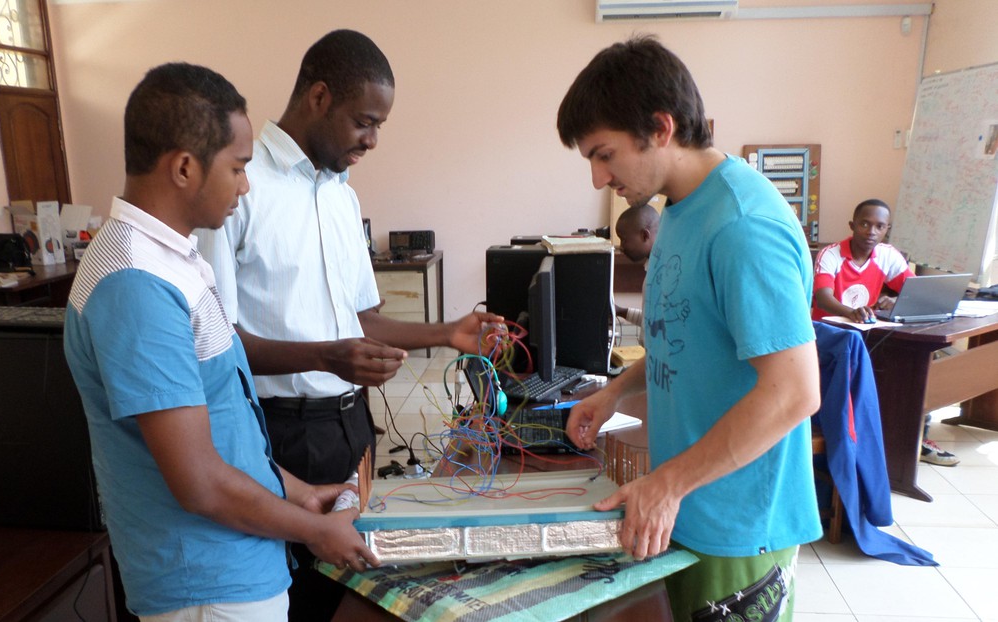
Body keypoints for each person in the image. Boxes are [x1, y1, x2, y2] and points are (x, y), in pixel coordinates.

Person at [196, 30, 500, 621]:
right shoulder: (238, 186)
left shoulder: (339, 193)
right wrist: (324, 357)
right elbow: (219, 345)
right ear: (318, 97)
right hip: (279, 436)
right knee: (294, 599)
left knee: (356, 595)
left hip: (349, 428)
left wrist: (446, 333)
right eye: (365, 121)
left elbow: (361, 319)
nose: (373, 140)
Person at [63, 62, 378, 620]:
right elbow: (200, 482)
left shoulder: (173, 260)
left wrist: (300, 492)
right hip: (204, 587)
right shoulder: (135, 284)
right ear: (185, 168)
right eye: (237, 168)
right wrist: (314, 530)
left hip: (236, 567)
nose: (246, 184)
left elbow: (225, 429)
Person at [557, 35, 822, 621]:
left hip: (739, 520)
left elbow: (794, 392)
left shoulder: (743, 227)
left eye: (605, 154)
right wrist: (614, 390)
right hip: (687, 503)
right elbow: (687, 336)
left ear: (659, 128)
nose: (599, 179)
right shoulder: (677, 208)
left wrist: (668, 483)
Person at [812, 199, 959, 466]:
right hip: (830, 336)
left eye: (879, 226)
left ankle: (912, 440)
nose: (871, 231)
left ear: (886, 230)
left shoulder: (887, 255)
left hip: (869, 333)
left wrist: (898, 298)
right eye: (865, 224)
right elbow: (823, 298)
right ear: (852, 226)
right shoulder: (831, 254)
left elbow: (917, 290)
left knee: (917, 367)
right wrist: (850, 311)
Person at [613, 203, 659, 326]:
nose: (621, 247)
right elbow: (650, 322)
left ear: (645, 235)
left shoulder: (664, 275)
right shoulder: (652, 267)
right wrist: (621, 311)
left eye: (624, 239)